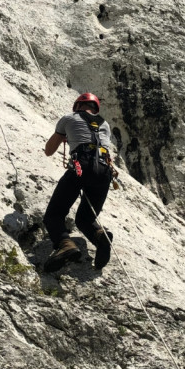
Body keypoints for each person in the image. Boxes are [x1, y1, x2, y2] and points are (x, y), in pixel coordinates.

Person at [41, 92, 118, 272]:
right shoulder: (104, 124)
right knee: (86, 219)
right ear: (95, 108)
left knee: (54, 214)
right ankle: (100, 237)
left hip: (80, 167)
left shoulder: (69, 118)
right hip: (105, 172)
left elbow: (49, 150)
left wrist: (65, 135)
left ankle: (65, 244)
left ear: (77, 106)